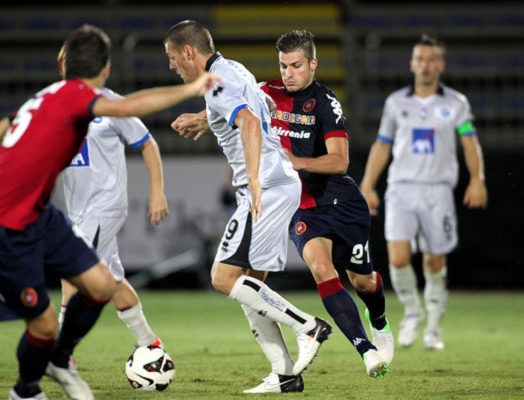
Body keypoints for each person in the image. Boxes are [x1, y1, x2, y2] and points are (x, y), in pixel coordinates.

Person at [0, 24, 219, 400]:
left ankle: (62, 359)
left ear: (67, 65)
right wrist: (190, 89)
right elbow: (130, 106)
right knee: (46, 323)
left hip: (44, 214)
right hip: (1, 224)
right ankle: (29, 389)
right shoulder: (76, 98)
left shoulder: (42, 99)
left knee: (97, 284)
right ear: (105, 69)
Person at [172, 30, 393, 379]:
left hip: (337, 200)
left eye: (296, 66)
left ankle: (374, 320)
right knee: (314, 270)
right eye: (283, 65)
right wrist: (203, 120)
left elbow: (339, 162)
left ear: (313, 64)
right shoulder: (265, 89)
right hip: (299, 205)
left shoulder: (325, 103)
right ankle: (355, 352)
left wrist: (293, 163)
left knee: (364, 282)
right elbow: (238, 104)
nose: (289, 73)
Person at [165, 20, 332, 394]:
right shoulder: (233, 68)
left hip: (265, 186)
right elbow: (263, 102)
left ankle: (308, 327)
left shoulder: (217, 80)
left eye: (172, 57)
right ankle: (285, 373)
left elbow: (251, 121)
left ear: (189, 52)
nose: (171, 65)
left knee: (223, 278)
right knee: (250, 284)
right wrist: (205, 120)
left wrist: (253, 178)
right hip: (278, 183)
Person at [360, 34, 488, 351]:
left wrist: (478, 179)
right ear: (412, 64)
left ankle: (432, 326)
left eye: (430, 60)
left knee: (433, 261)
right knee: (398, 258)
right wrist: (367, 184)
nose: (425, 65)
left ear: (439, 65)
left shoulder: (455, 103)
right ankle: (413, 312)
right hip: (401, 189)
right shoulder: (396, 103)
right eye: (419, 59)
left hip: (438, 191)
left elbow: (469, 141)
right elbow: (382, 145)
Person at [55, 46, 166, 359]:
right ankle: (150, 344)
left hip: (104, 205)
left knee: (71, 272)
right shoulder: (57, 107)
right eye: (66, 63)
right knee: (114, 282)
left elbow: (147, 144)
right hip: (78, 210)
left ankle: (62, 354)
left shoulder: (110, 104)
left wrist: (157, 191)